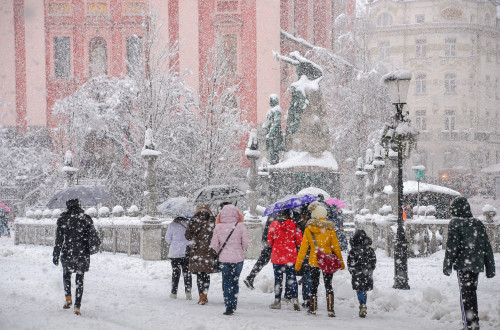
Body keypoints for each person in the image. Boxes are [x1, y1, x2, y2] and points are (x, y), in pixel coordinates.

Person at [443, 197, 495, 330]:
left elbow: (451, 247)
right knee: (472, 293)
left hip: (463, 265)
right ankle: (473, 322)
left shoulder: (455, 223)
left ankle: (469, 324)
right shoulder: (477, 223)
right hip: (476, 265)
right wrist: (490, 268)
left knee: (465, 295)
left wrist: (447, 265)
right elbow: (487, 247)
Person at [295, 203, 345, 317]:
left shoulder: (309, 229)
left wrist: (298, 264)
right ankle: (330, 309)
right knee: (328, 284)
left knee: (314, 284)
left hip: (314, 260)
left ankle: (312, 308)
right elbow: (336, 247)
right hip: (327, 260)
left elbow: (303, 249)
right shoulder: (330, 229)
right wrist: (341, 262)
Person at [52, 199, 97, 316]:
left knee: (66, 275)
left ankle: (68, 299)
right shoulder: (86, 218)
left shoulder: (63, 219)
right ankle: (77, 307)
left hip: (68, 252)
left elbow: (59, 240)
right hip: (82, 253)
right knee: (80, 279)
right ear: (79, 205)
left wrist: (56, 254)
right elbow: (92, 236)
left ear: (67, 206)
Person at [210, 204, 249, 315]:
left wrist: (220, 252)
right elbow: (246, 242)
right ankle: (234, 303)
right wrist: (242, 249)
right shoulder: (240, 226)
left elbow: (214, 244)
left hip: (224, 259)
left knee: (227, 281)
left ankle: (228, 305)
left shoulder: (218, 227)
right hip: (238, 258)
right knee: (235, 280)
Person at [267, 209, 303, 311]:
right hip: (290, 257)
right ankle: (295, 300)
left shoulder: (273, 225)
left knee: (278, 280)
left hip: (277, 256)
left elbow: (269, 241)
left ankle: (277, 301)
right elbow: (300, 241)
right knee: (292, 279)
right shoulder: (294, 225)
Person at [185, 204, 217, 305]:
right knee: (206, 274)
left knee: (199, 274)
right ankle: (205, 295)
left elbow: (187, 236)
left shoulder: (193, 220)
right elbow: (216, 235)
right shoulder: (212, 220)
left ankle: (201, 296)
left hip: (196, 250)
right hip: (208, 250)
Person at [347, 229, 376, 318]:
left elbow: (350, 263)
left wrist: (353, 271)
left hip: (357, 273)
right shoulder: (370, 250)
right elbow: (373, 261)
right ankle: (364, 304)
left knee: (359, 289)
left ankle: (362, 304)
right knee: (364, 290)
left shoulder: (353, 251)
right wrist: (370, 269)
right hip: (367, 273)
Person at [243, 214, 275, 290]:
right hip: (272, 240)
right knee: (266, 260)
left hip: (268, 240)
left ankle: (250, 277)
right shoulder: (279, 215)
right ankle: (250, 277)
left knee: (263, 260)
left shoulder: (274, 214)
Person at [165, 216, 192, 300]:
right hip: (186, 252)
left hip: (175, 253)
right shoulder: (189, 225)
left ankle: (174, 292)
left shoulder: (172, 225)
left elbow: (168, 239)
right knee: (187, 273)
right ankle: (188, 293)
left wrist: (175, 242)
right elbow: (192, 238)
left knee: (175, 273)